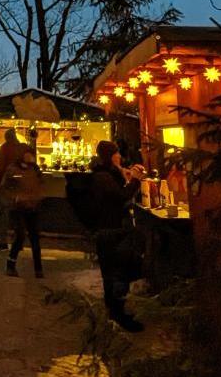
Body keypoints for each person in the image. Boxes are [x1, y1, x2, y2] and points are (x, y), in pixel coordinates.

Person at [91, 139, 146, 331]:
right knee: (116, 273)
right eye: (116, 153)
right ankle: (117, 314)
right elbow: (120, 197)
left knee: (114, 273)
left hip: (110, 230)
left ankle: (115, 313)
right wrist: (135, 181)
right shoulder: (102, 177)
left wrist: (126, 175)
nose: (120, 156)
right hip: (110, 231)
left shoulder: (107, 175)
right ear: (110, 156)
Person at [5, 144, 45, 278]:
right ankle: (10, 265)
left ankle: (38, 269)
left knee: (35, 238)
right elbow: (6, 187)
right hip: (18, 208)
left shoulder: (35, 170)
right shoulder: (13, 169)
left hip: (33, 207)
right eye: (27, 154)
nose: (29, 156)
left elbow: (40, 184)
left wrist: (38, 198)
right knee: (20, 236)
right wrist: (14, 198)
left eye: (31, 154)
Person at [0, 127, 23, 250]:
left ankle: (1, 241)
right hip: (19, 185)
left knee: (2, 213)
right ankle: (18, 241)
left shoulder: (5, 148)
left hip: (6, 185)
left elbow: (0, 167)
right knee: (17, 214)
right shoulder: (21, 148)